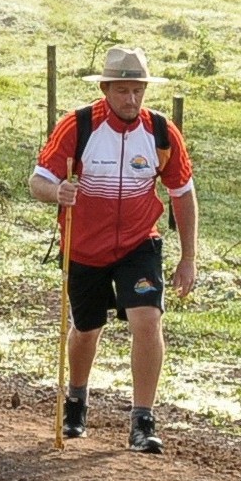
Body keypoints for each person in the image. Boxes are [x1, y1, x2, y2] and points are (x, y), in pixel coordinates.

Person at [30, 47, 198, 455]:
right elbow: (37, 182)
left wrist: (188, 257)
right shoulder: (79, 126)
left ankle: (143, 420)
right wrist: (59, 191)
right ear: (105, 89)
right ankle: (76, 399)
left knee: (147, 320)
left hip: (139, 243)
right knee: (87, 330)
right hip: (84, 246)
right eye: (122, 90)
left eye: (138, 90)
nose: (131, 99)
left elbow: (183, 193)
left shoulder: (160, 132)